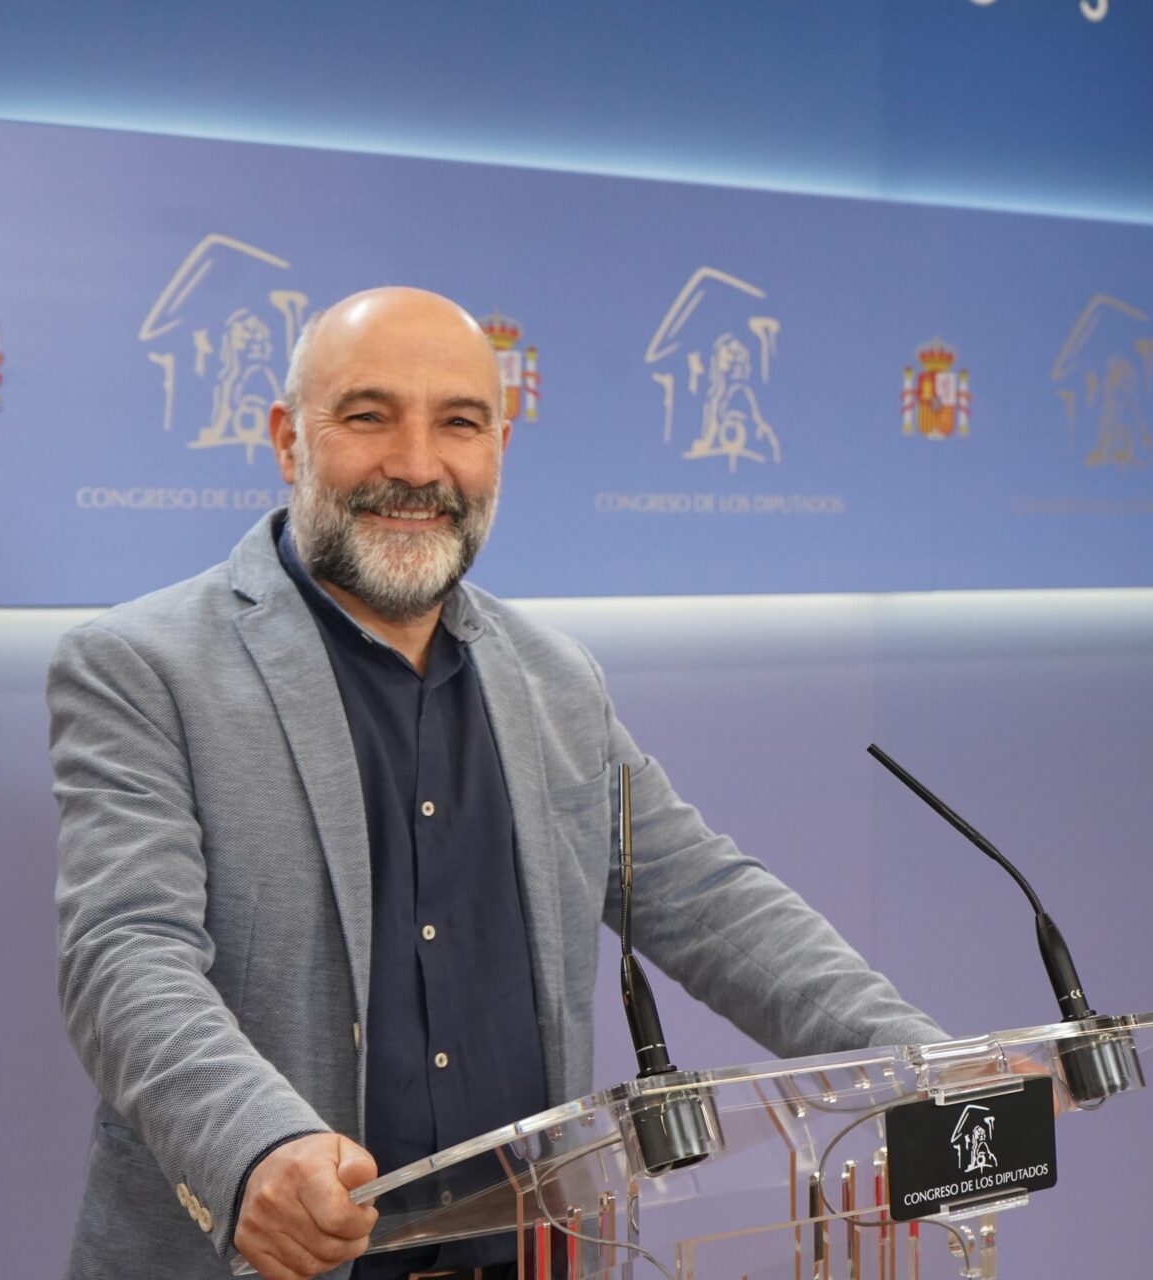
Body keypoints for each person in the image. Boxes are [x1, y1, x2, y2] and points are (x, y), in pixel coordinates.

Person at [48, 287, 944, 1280]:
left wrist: (921, 1062)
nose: (416, 465)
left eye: (460, 423)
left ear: (500, 448)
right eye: (368, 416)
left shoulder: (555, 677)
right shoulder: (140, 666)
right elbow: (126, 954)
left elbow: (705, 899)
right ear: (288, 438)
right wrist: (255, 1143)